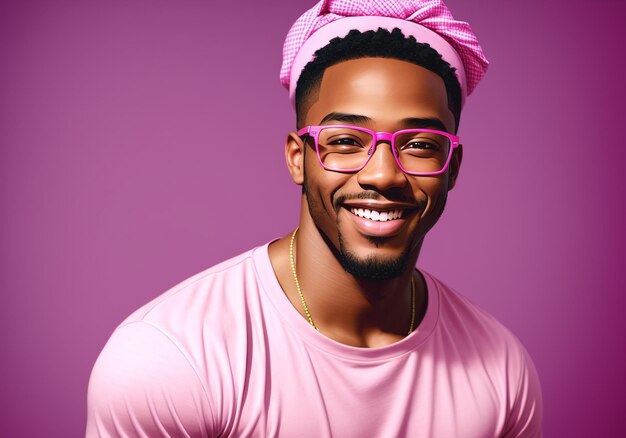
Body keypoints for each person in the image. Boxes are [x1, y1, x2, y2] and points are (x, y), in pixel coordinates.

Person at [86, 0, 543, 436]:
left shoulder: (501, 371)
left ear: (453, 168)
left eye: (420, 144)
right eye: (345, 141)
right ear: (297, 158)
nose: (383, 174)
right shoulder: (172, 356)